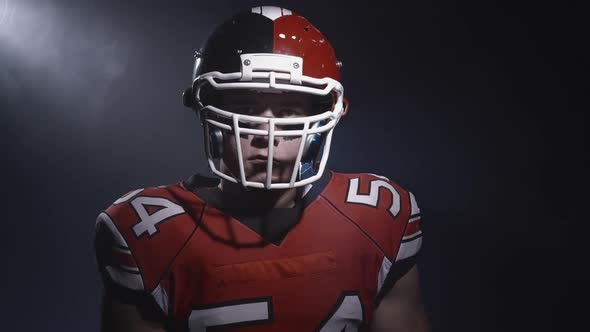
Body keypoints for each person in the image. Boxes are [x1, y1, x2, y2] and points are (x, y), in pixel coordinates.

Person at [94, 5, 429, 332]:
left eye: (287, 111)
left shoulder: (375, 216)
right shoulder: (150, 232)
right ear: (206, 111)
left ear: (328, 114)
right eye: (246, 106)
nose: (266, 135)